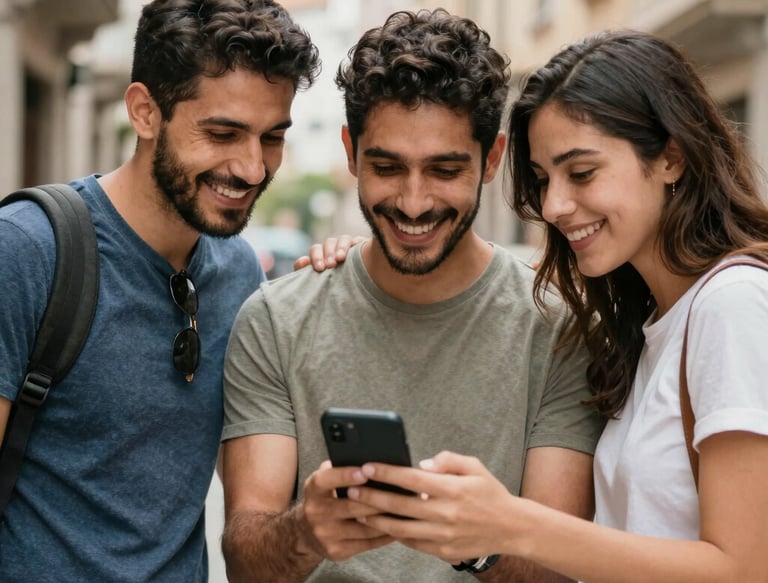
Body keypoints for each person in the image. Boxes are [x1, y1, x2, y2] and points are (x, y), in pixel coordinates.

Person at [340, 30, 768, 582]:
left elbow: (745, 568)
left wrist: (510, 522)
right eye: (543, 178)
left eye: (582, 173)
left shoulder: (732, 306)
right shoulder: (651, 321)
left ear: (672, 157)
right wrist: (482, 538)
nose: (555, 205)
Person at [220, 9, 604, 583]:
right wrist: (306, 531)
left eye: (445, 169)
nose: (415, 202)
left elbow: (559, 569)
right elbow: (247, 562)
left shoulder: (557, 326)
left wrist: (474, 541)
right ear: (351, 153)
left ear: (492, 159)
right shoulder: (276, 320)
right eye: (387, 167)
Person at [0, 1, 319, 580]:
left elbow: (262, 516)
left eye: (271, 137)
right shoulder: (25, 250)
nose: (251, 168)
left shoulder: (240, 270)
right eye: (222, 133)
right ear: (145, 112)